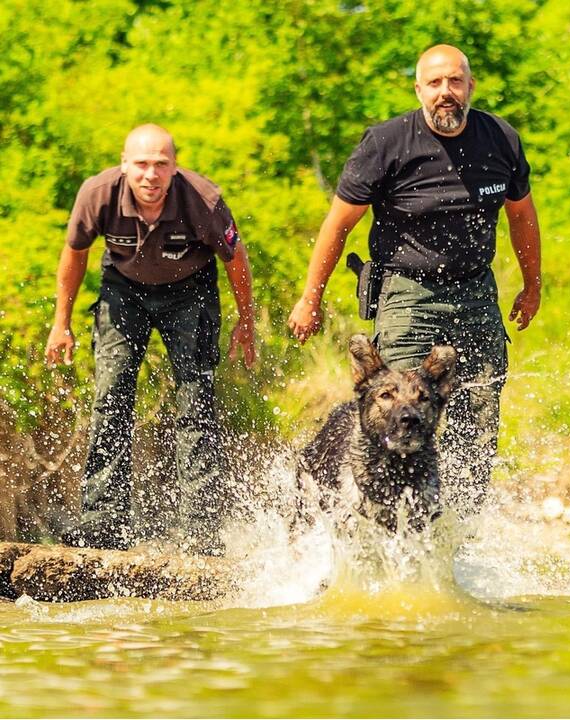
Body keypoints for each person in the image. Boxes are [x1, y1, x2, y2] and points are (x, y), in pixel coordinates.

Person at [288, 44, 542, 512]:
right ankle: (383, 527)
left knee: (478, 422)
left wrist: (533, 285)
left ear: (470, 86)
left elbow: (521, 215)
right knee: (397, 412)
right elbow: (339, 224)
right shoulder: (386, 143)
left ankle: (453, 535)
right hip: (407, 290)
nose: (446, 92)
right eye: (435, 83)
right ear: (419, 88)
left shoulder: (500, 138)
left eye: (455, 81)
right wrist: (310, 298)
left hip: (474, 291)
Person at [45, 124, 257, 555]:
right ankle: (104, 522)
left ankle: (201, 529)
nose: (150, 175)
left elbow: (236, 258)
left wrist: (246, 323)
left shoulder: (204, 199)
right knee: (111, 398)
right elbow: (75, 253)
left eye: (161, 164)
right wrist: (60, 322)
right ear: (124, 165)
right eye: (141, 164)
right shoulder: (97, 193)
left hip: (191, 289)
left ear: (174, 168)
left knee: (195, 403)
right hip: (123, 289)